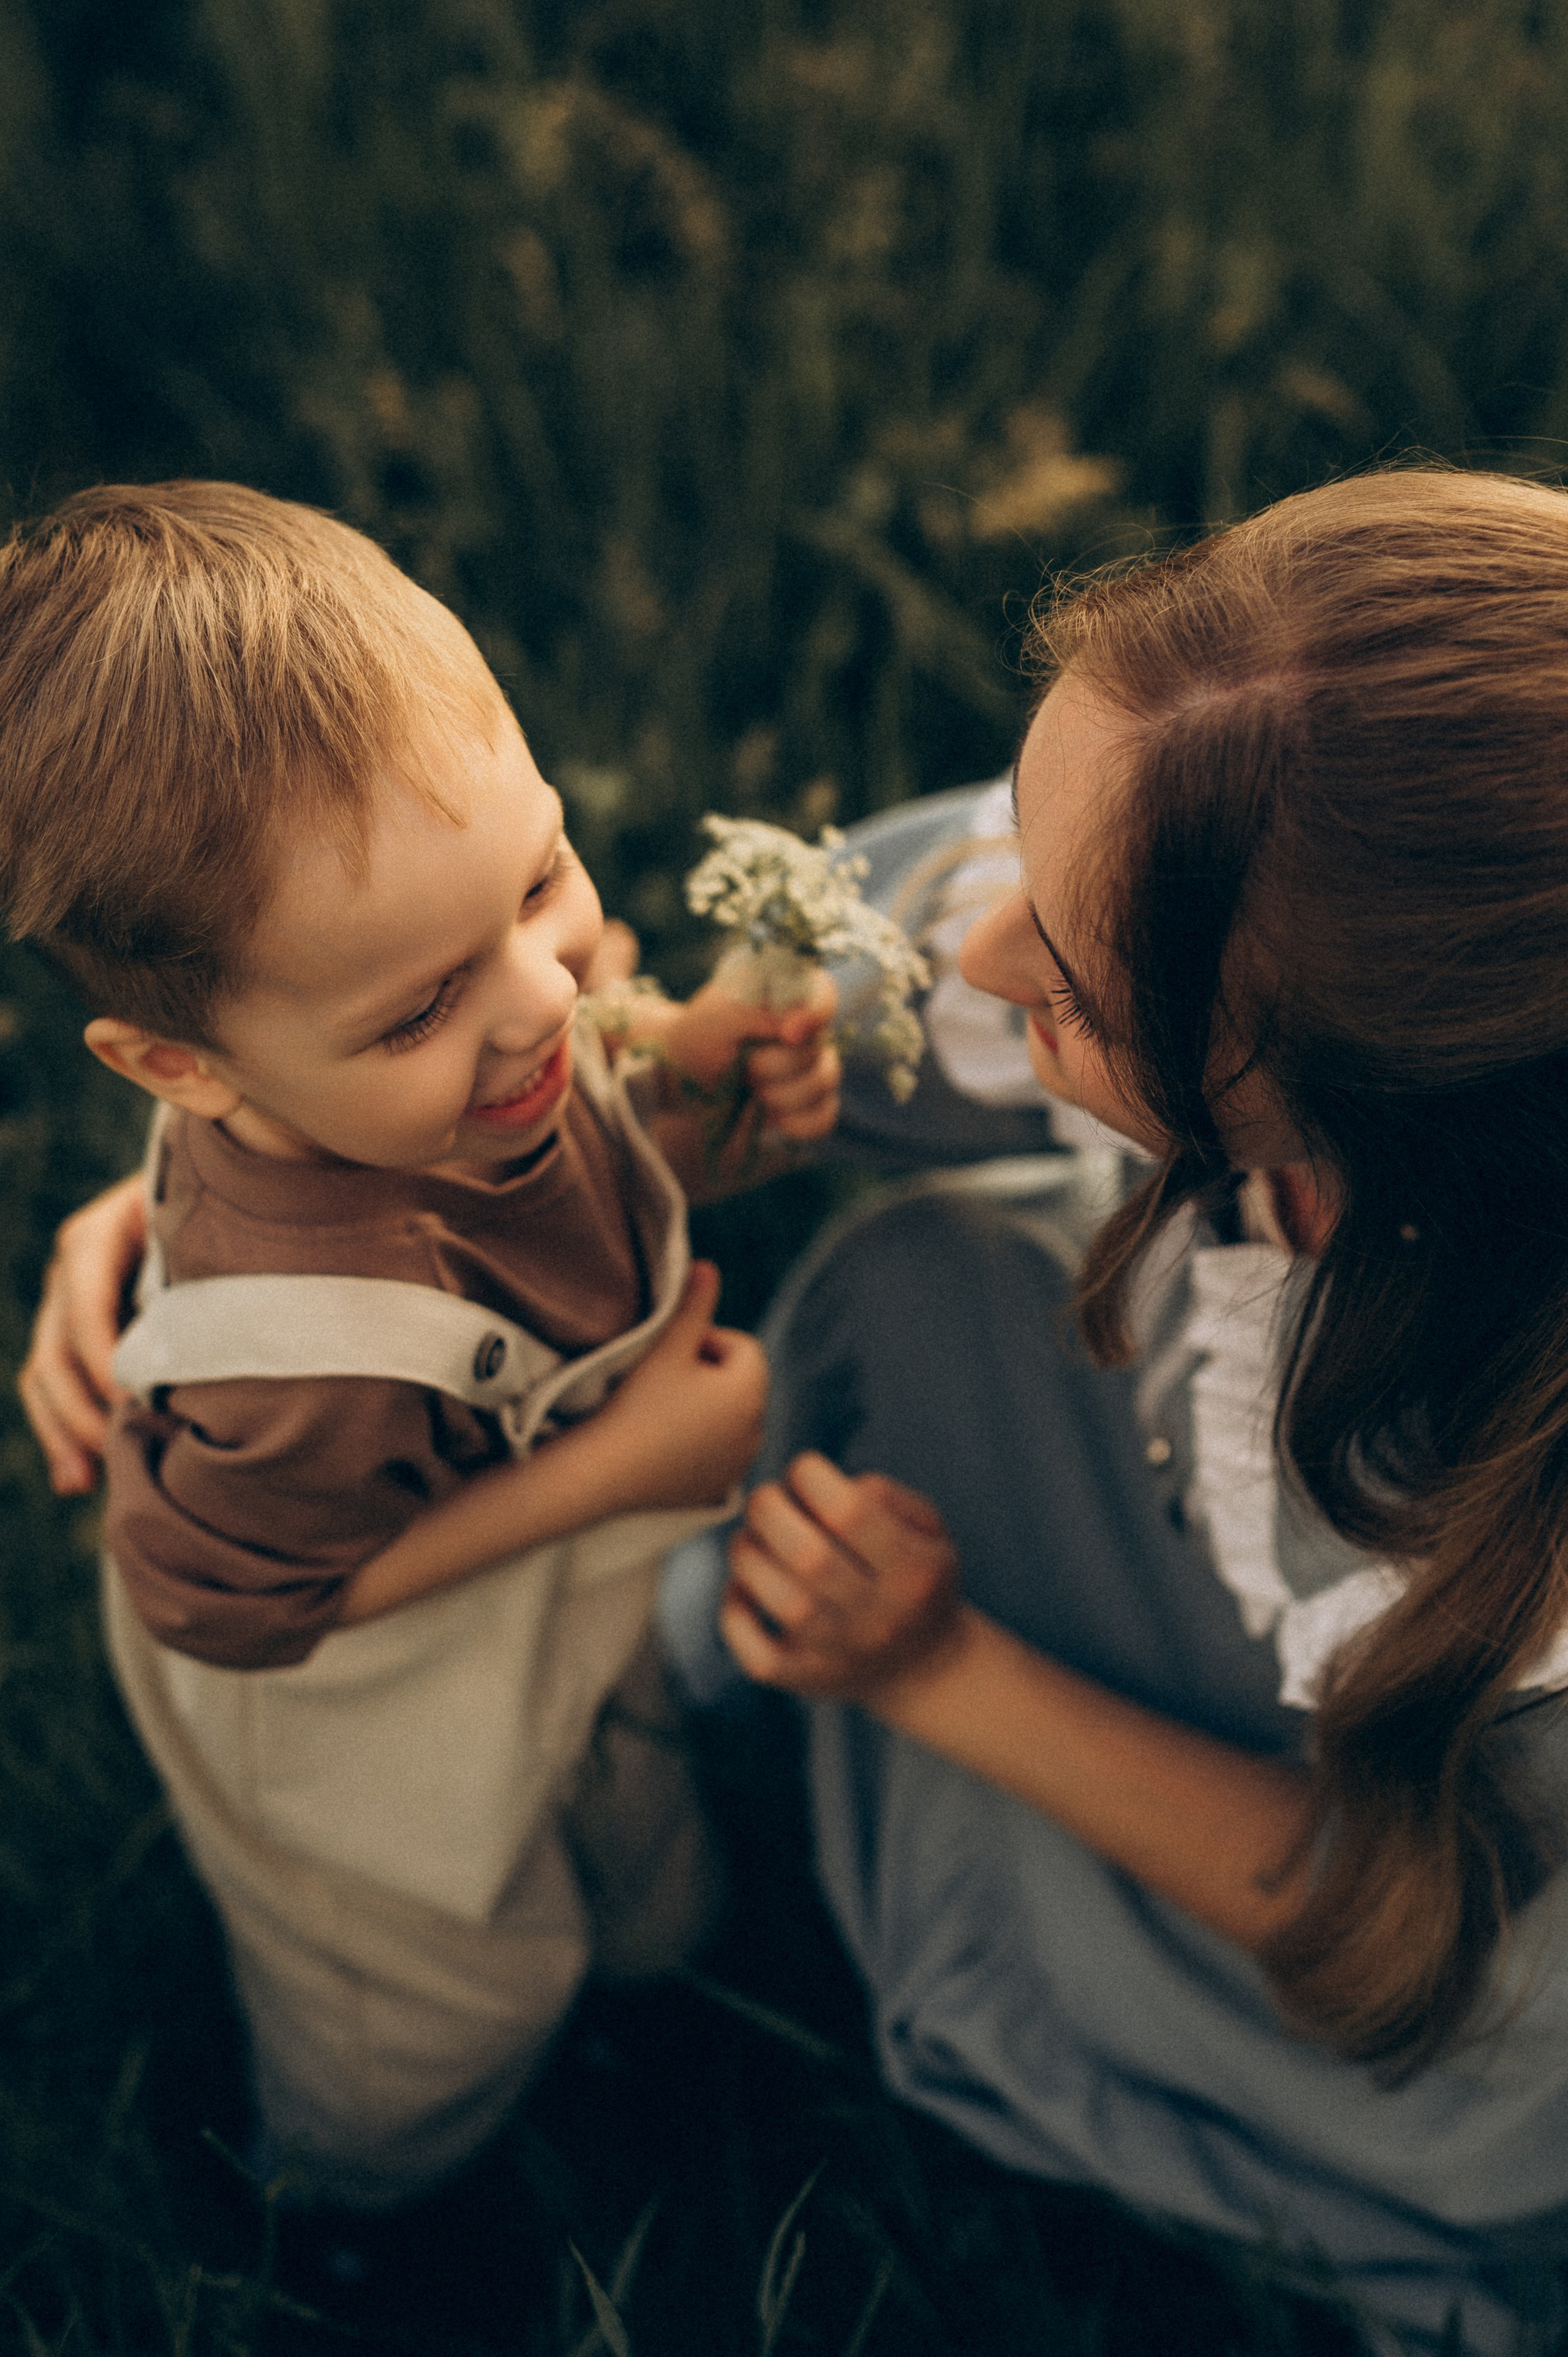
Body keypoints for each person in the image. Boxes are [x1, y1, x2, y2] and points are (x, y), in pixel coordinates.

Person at [32, 466, 1568, 2355]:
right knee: (418, 1982)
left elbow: (1435, 1940)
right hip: (364, 1684)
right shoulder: (1284, 816)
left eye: (1070, 987)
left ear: (1356, 1137)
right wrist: (245, 1180)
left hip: (1420, 1957)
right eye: (1021, 852)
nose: (968, 962)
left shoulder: (1509, 1515)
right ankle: (351, 2208)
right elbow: (625, 1043)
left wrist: (933, 1668)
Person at [0, 479, 839, 2211]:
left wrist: (705, 1086)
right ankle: (352, 2225)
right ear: (187, 1072)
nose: (544, 996)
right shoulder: (292, 1363)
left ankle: (657, 1988)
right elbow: (227, 1606)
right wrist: (625, 1472)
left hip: (549, 1611)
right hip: (353, 1726)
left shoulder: (454, 1072)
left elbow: (579, 1185)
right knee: (435, 1991)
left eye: (541, 877)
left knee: (632, 1842)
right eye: (419, 1004)